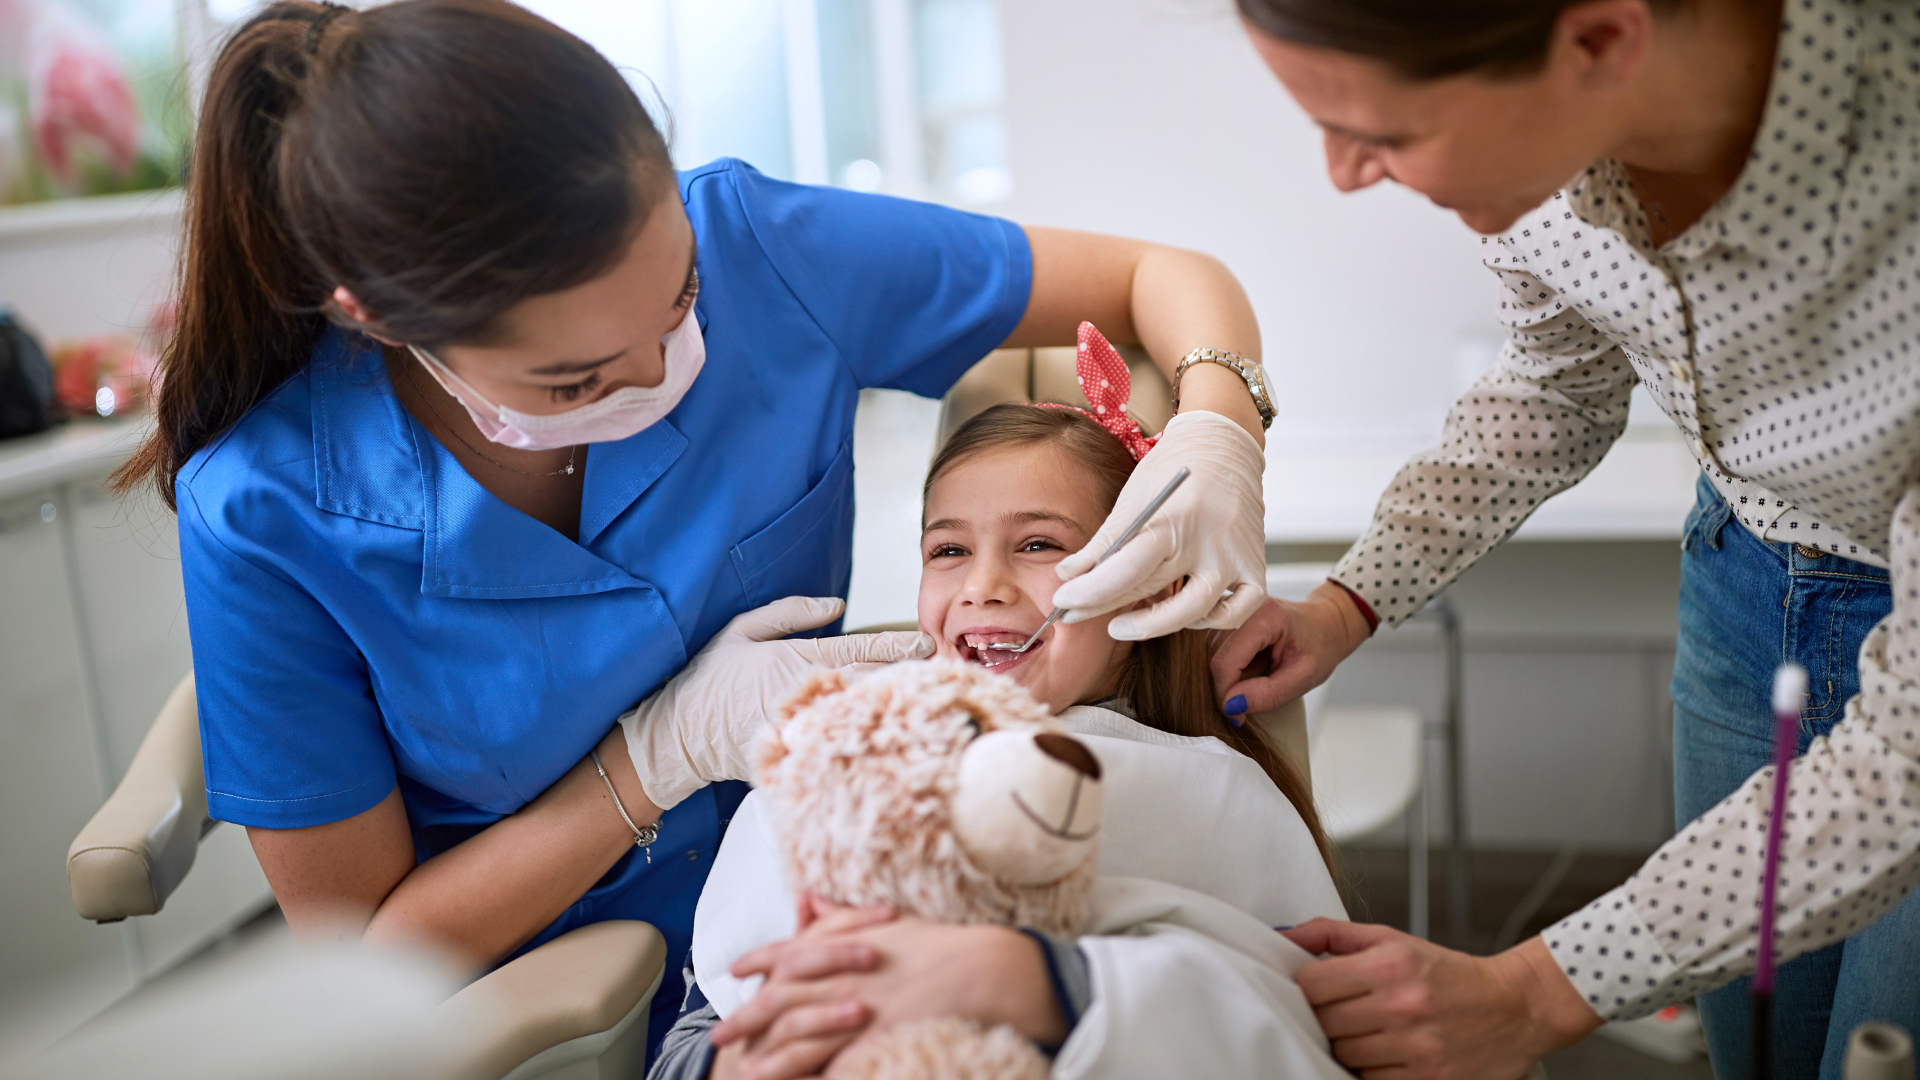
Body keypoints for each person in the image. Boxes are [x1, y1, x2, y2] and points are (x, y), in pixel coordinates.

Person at [118, 0, 1279, 1061]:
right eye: (575, 380)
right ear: (370, 315)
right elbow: (367, 955)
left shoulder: (763, 250)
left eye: (678, 298)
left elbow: (1156, 276)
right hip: (555, 1015)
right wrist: (653, 760)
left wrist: (1219, 423)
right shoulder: (263, 510)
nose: (664, 373)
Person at [1204, 1, 1920, 1077]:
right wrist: (1346, 602)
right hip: (1744, 574)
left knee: (1879, 1047)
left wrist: (1533, 991)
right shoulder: (1545, 179)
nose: (1345, 174)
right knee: (1756, 1037)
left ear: (1596, 43)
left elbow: (1902, 761)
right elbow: (1558, 378)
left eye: (1385, 133)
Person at [649, 367, 1347, 1079]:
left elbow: (1305, 1036)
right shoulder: (837, 775)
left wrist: (1055, 989)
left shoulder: (1215, 795)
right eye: (948, 551)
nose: (982, 586)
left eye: (1038, 544)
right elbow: (699, 1029)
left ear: (1148, 578)